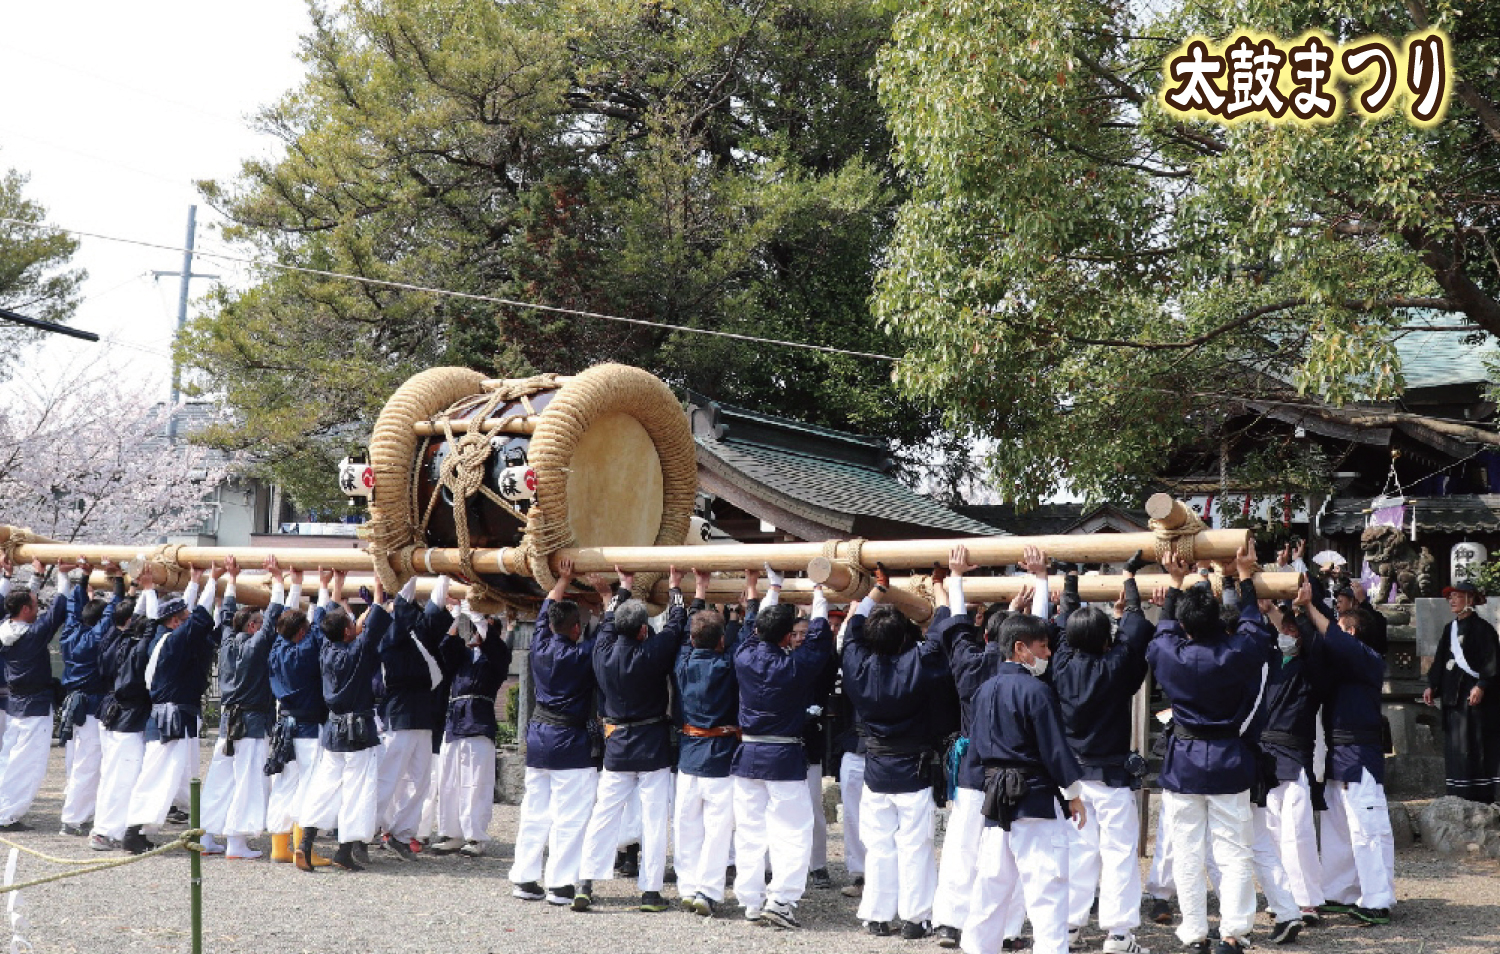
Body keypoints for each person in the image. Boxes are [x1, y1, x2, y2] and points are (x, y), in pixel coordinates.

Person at [1147, 546, 1271, 954]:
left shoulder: (1169, 653)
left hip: (1183, 758)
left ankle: (1194, 930)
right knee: (1233, 849)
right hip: (1227, 757)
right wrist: (1245, 577)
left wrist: (1175, 582)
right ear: (1219, 622)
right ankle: (1233, 933)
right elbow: (1254, 627)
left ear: (1185, 623)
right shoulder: (1236, 652)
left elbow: (1163, 630)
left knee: (1186, 850)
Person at [933, 547, 1044, 950]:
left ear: (986, 636)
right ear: (1021, 644)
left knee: (962, 848)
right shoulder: (1021, 670)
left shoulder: (967, 662)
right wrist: (1039, 582)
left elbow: (958, 627)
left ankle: (949, 921)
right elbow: (1039, 630)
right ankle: (1009, 928)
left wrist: (956, 578)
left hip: (971, 766)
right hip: (1011, 773)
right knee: (1008, 855)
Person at [842, 564, 958, 939]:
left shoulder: (857, 664)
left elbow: (852, 629)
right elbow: (941, 631)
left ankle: (877, 915)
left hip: (876, 766)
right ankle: (915, 917)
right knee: (915, 846)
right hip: (914, 767)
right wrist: (941, 587)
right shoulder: (919, 663)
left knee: (878, 847)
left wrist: (877, 589)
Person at [960, 610, 1086, 954]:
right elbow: (1054, 750)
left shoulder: (984, 690)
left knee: (989, 890)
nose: (1047, 654)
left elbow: (976, 749)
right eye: (1042, 646)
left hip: (995, 799)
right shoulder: (1036, 691)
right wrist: (1073, 794)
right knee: (1047, 893)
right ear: (1020, 648)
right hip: (1034, 799)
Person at [1051, 565, 1154, 954]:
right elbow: (1135, 631)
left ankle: (1071, 926)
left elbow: (1063, 627)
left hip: (1073, 779)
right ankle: (1118, 934)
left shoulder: (1060, 664)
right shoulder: (1116, 666)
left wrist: (1070, 582)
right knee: (1119, 855)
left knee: (1079, 852)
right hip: (1110, 777)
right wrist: (1129, 583)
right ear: (1106, 639)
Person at [574, 566, 686, 914]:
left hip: (617, 745)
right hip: (652, 743)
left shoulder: (602, 652)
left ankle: (585, 883)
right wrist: (677, 587)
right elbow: (675, 625)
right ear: (642, 630)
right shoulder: (652, 653)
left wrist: (623, 586)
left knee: (603, 815)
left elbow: (609, 621)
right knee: (654, 820)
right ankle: (650, 892)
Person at [730, 580, 834, 930]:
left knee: (748, 831)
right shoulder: (794, 667)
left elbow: (751, 627)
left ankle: (750, 900)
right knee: (792, 830)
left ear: (758, 631)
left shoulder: (743, 655)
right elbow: (819, 639)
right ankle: (782, 900)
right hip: (783, 754)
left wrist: (771, 588)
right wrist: (819, 596)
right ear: (789, 637)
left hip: (747, 753)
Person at [509, 559, 605, 906]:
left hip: (537, 736)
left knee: (535, 811)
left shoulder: (539, 644)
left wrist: (562, 580)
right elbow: (607, 637)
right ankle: (561, 885)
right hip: (569, 741)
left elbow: (547, 610)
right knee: (571, 815)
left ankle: (524, 877)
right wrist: (607, 598)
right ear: (576, 628)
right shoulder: (581, 655)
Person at [1303, 592, 1396, 925]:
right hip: (1337, 751)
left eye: (1341, 625)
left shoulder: (1368, 657)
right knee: (1338, 829)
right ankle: (1340, 891)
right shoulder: (1343, 666)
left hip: (1361, 753)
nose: (1336, 630)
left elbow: (1336, 641)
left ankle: (1378, 899)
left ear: (1353, 632)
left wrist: (1310, 607)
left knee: (1368, 829)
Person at [123, 564, 223, 853]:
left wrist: (193, 582)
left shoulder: (159, 635)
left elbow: (178, 617)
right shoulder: (174, 640)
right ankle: (134, 830)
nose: (189, 620)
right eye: (184, 618)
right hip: (173, 718)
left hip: (177, 717)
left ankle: (195, 831)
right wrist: (212, 580)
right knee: (158, 775)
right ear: (176, 622)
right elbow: (200, 617)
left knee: (186, 777)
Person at [296, 571, 392, 872]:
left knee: (324, 787)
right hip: (360, 731)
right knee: (358, 791)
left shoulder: (326, 648)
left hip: (333, 730)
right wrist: (379, 591)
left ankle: (305, 844)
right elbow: (374, 626)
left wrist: (335, 585)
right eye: (353, 623)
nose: (356, 624)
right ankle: (344, 851)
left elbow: (327, 617)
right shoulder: (359, 650)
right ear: (349, 632)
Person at [199, 557, 285, 860]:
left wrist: (231, 580)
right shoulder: (253, 645)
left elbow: (224, 617)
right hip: (250, 722)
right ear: (252, 626)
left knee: (220, 780)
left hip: (228, 722)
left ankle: (206, 835)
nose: (264, 627)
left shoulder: (226, 641)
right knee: (247, 781)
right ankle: (236, 841)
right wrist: (277, 581)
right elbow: (274, 618)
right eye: (259, 624)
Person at [673, 569, 746, 917]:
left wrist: (696, 589)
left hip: (689, 755)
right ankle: (706, 890)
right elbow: (746, 641)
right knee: (717, 831)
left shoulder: (682, 662)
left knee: (686, 826)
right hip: (720, 757)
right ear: (721, 642)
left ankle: (688, 887)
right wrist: (750, 599)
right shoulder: (729, 664)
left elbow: (688, 636)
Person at [1253, 601, 1327, 932]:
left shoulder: (1311, 666)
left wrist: (1302, 610)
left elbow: (1314, 642)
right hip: (1266, 751)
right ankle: (1281, 896)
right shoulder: (1267, 661)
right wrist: (1267, 611)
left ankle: (1306, 898)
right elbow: (1261, 634)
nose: (1288, 635)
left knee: (1297, 829)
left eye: (1294, 630)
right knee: (1270, 830)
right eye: (1284, 630)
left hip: (1295, 750)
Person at [376, 575, 453, 858]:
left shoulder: (417, 637)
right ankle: (363, 832)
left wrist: (444, 575)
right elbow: (404, 601)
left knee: (420, 781)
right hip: (400, 714)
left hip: (422, 715)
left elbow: (434, 607)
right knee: (389, 778)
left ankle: (402, 832)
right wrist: (411, 574)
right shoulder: (390, 637)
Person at [0, 558, 78, 830]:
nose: (38, 608)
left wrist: (35, 575)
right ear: (24, 609)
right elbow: (57, 612)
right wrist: (63, 577)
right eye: (34, 605)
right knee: (28, 764)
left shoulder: (4, 629)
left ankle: (4, 810)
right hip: (33, 706)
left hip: (16, 705)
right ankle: (7, 815)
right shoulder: (32, 636)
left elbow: (10, 603)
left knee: (9, 759)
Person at [431, 600, 514, 857]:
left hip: (478, 722)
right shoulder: (463, 658)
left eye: (484, 628)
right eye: (477, 628)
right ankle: (451, 832)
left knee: (476, 782)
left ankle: (476, 837)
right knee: (449, 781)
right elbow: (447, 645)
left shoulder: (497, 658)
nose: (478, 632)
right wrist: (457, 615)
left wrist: (478, 617)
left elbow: (493, 644)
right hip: (454, 722)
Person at [58, 559, 125, 837]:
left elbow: (74, 609)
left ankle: (78, 815)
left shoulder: (71, 632)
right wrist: (119, 582)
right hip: (89, 705)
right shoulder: (94, 638)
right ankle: (73, 818)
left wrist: (84, 577)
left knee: (79, 763)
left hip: (75, 703)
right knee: (87, 764)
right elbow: (111, 615)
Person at [265, 567, 326, 867]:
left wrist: (294, 585)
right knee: (309, 785)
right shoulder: (306, 650)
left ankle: (278, 847)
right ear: (302, 631)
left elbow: (287, 623)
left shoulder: (276, 648)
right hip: (308, 727)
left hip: (284, 726)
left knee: (284, 784)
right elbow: (321, 626)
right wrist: (325, 589)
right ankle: (305, 846)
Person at [1423, 580, 1500, 802]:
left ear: (1470, 599)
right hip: (1452, 695)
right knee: (1455, 744)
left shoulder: (1483, 629)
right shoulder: (1450, 629)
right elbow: (1440, 660)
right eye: (1450, 597)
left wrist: (1482, 685)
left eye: (1457, 596)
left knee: (1475, 742)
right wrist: (1432, 685)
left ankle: (1481, 793)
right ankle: (1457, 792)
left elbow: (1492, 660)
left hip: (1473, 696)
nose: (1452, 600)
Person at [89, 580, 148, 851]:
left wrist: (129, 590)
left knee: (111, 773)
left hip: (109, 712)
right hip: (125, 714)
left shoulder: (109, 638)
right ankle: (107, 831)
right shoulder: (131, 646)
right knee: (121, 776)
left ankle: (108, 828)